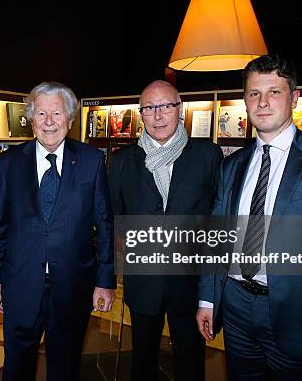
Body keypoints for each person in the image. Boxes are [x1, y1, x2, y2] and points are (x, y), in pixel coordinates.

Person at [197, 54, 302, 380]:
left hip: (300, 316)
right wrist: (208, 297)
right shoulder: (232, 165)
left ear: (295, 98)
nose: (262, 102)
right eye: (253, 93)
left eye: (274, 91)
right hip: (235, 309)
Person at [0, 81, 115, 381]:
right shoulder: (8, 162)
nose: (48, 122)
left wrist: (105, 281)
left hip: (73, 285)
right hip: (19, 285)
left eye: (56, 114)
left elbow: (105, 223)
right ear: (31, 119)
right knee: (16, 367)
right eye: (41, 114)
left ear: (70, 120)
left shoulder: (91, 161)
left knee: (65, 367)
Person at [108, 80, 223, 381]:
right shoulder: (122, 162)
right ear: (141, 114)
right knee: (142, 361)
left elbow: (216, 220)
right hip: (143, 283)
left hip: (191, 285)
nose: (158, 115)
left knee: (191, 361)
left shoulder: (208, 156)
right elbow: (115, 219)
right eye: (149, 108)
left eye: (165, 106)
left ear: (179, 109)